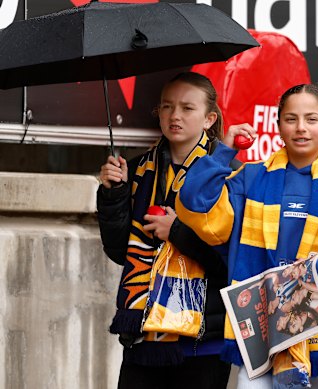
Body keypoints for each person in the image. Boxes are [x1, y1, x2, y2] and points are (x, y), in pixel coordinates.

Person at [175, 83, 318, 388]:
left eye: (311, 119)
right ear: (278, 124)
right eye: (290, 119)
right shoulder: (252, 177)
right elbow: (193, 202)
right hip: (260, 331)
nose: (300, 128)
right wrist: (225, 150)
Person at [97, 72, 237, 389]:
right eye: (166, 107)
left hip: (204, 340)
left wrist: (176, 231)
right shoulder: (137, 170)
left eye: (187, 108)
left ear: (208, 118)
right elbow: (119, 251)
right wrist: (113, 193)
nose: (174, 116)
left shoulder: (227, 176)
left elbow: (227, 263)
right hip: (143, 335)